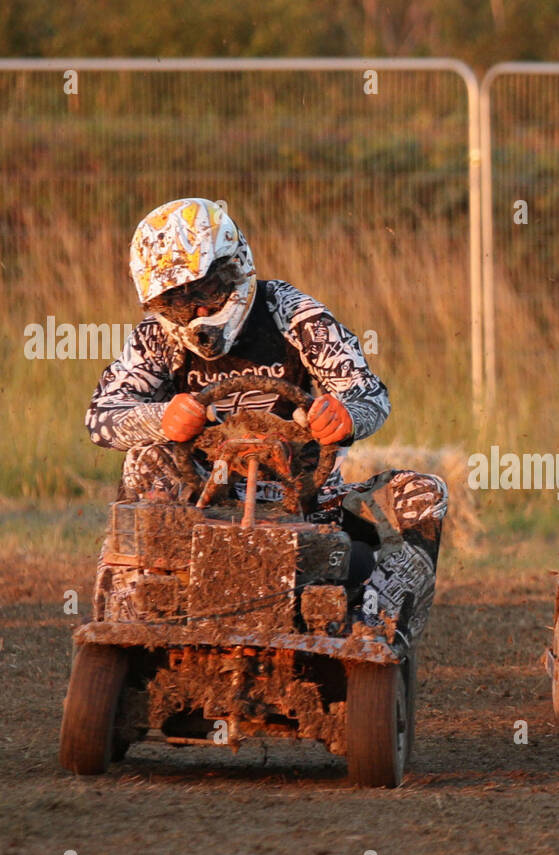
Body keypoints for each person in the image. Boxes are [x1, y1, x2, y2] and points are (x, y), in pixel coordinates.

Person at [86, 197, 448, 643]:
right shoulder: (156, 338)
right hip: (199, 501)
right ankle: (131, 619)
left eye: (204, 293)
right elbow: (100, 417)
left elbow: (369, 394)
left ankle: (376, 636)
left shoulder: (295, 314)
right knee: (145, 458)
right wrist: (162, 417)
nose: (197, 313)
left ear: (236, 268)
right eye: (176, 303)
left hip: (312, 505)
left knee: (422, 494)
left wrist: (346, 415)